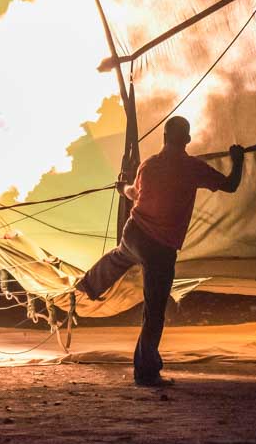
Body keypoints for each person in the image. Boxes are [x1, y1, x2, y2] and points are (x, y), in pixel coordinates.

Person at [76, 116, 245, 387]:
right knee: (154, 310)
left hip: (134, 233)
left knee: (121, 255)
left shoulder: (149, 165)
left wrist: (122, 188)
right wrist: (238, 159)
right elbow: (231, 185)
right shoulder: (192, 167)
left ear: (164, 137)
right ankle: (145, 372)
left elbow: (133, 193)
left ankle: (89, 283)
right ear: (187, 140)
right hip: (160, 247)